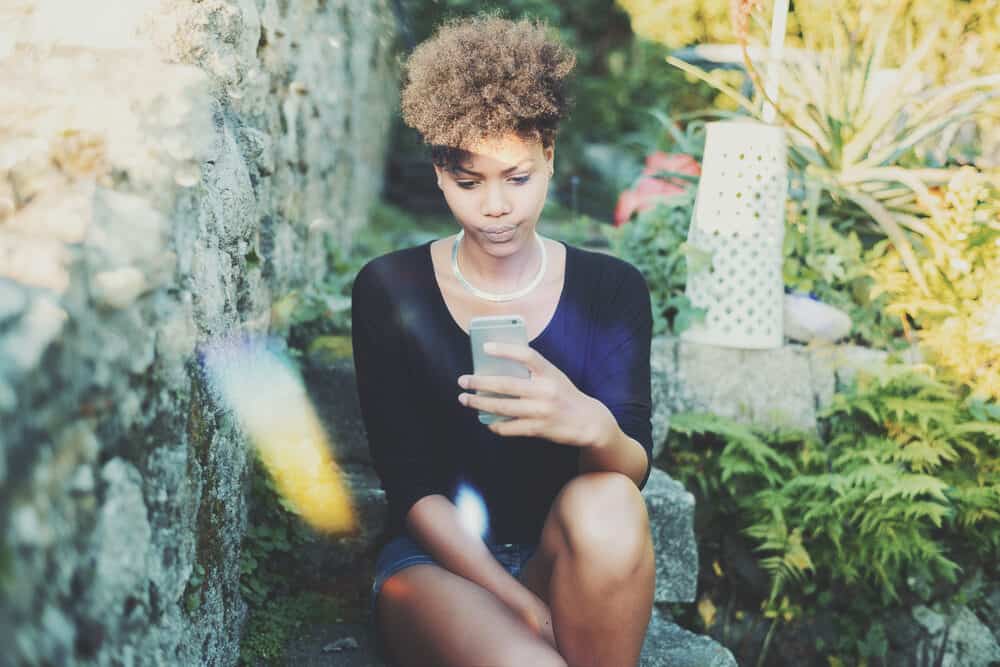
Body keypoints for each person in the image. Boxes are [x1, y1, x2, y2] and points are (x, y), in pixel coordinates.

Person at [350, 13, 655, 667]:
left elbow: (630, 477)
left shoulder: (611, 290)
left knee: (609, 498)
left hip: (562, 550)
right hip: (440, 565)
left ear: (549, 155)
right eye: (469, 182)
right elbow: (413, 489)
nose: (495, 207)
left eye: (516, 177)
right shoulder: (390, 290)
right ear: (439, 172)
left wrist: (590, 423)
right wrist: (516, 603)